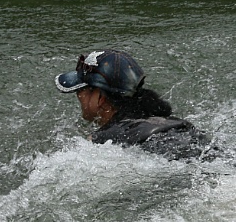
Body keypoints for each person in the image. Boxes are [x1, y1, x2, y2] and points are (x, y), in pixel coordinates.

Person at [55, 49, 210, 159]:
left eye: (80, 90)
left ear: (100, 98)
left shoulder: (103, 140)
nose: (78, 96)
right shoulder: (170, 122)